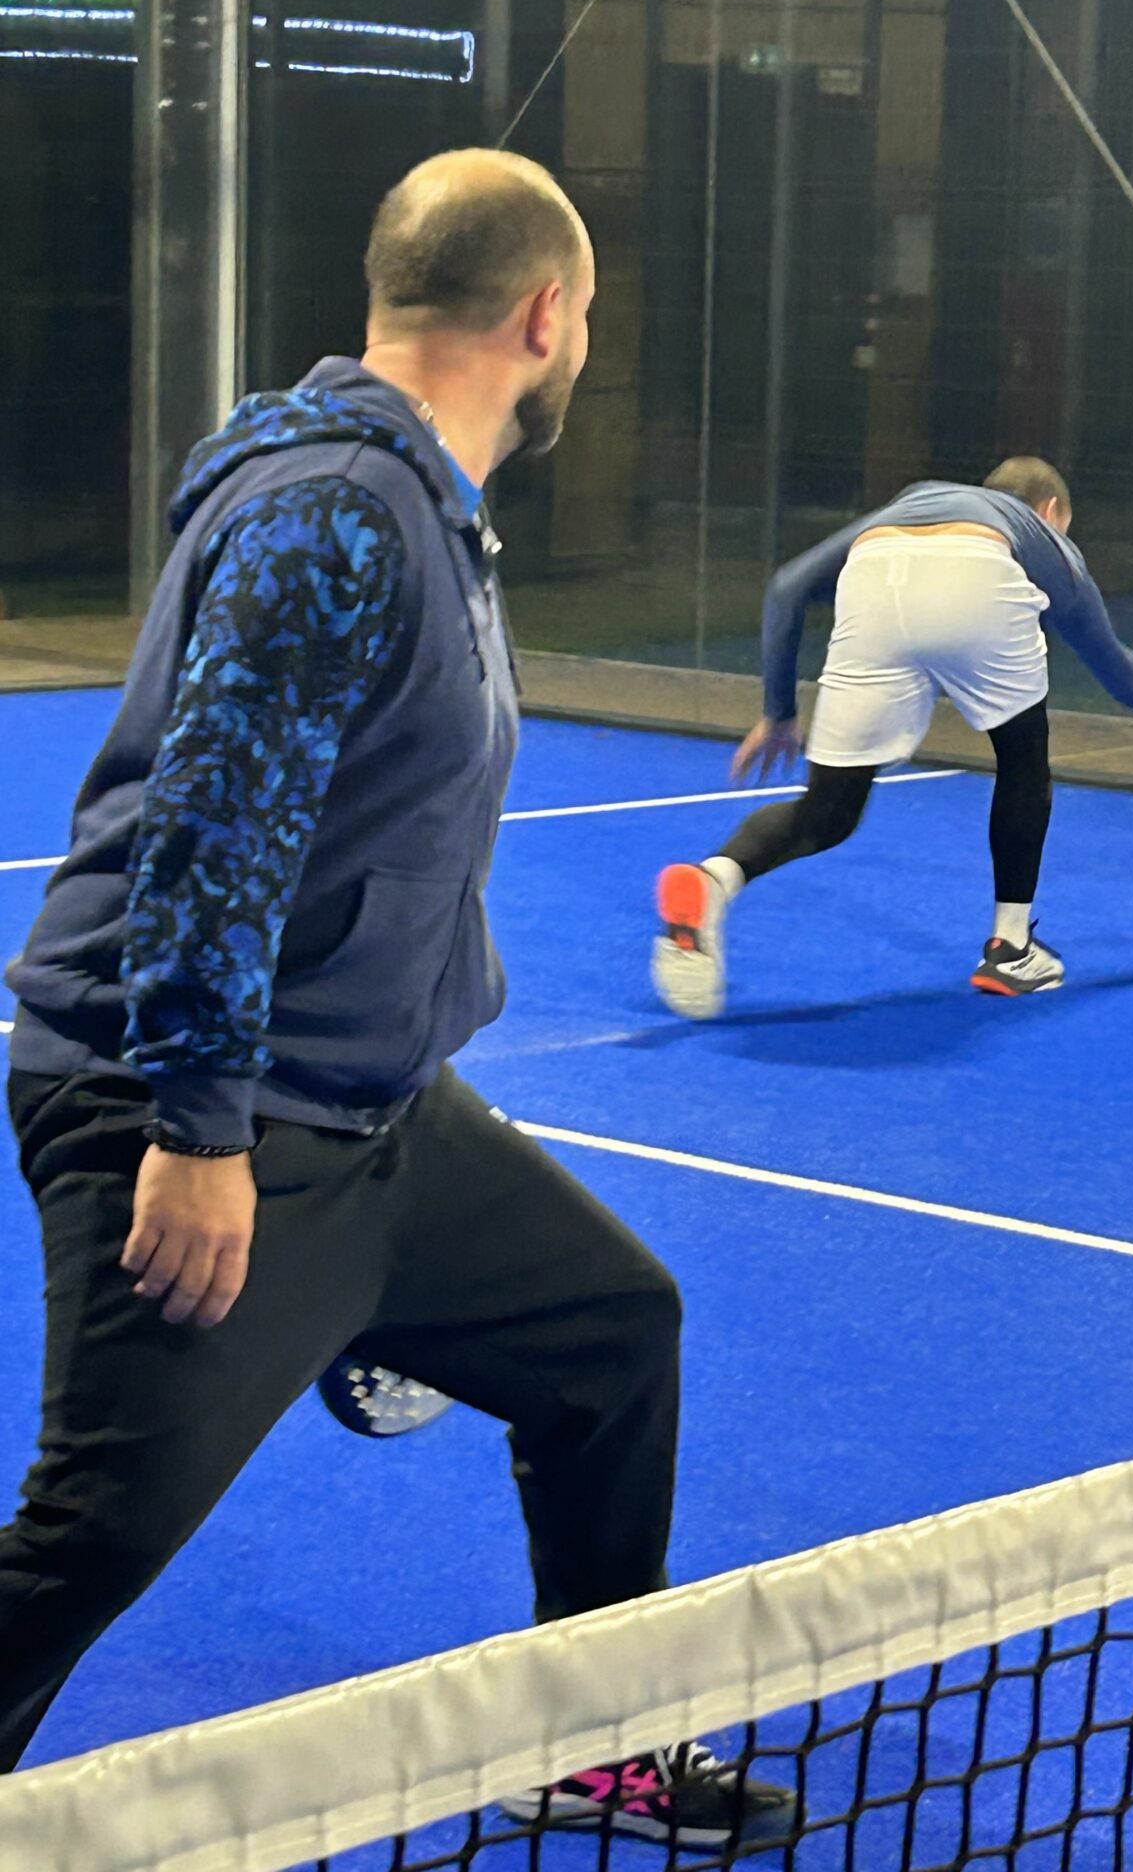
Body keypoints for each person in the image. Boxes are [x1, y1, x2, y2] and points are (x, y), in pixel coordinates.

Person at [1, 149, 789, 1848]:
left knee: (608, 1332)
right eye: (590, 318)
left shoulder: (421, 501)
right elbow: (213, 827)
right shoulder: (336, 512)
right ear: (546, 316)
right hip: (197, 1108)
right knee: (95, 1533)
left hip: (368, 1110)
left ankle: (590, 1740)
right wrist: (198, 1132)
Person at [651, 458, 1133, 1019]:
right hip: (977, 576)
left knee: (828, 810)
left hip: (872, 576)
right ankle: (1010, 950)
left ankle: (713, 879)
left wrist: (779, 712)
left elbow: (786, 587)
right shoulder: (1039, 537)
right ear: (1050, 512)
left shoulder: (912, 502)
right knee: (1022, 756)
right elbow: (1116, 667)